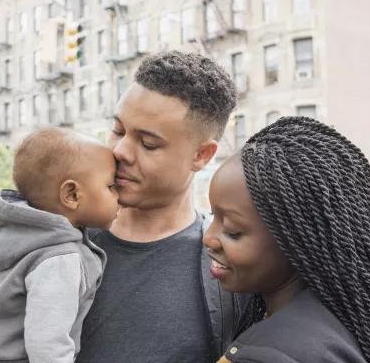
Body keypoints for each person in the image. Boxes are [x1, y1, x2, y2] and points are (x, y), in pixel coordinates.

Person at [204, 117, 370, 363]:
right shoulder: (359, 320)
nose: (208, 237)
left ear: (294, 240)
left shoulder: (265, 355)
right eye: (212, 217)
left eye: (232, 231)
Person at [76, 51, 245, 363]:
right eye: (118, 129)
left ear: (203, 155)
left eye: (148, 143)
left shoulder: (230, 271)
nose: (120, 150)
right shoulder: (60, 236)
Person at [0, 127, 119, 363]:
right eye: (110, 186)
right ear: (71, 195)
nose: (119, 195)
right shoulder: (59, 258)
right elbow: (47, 347)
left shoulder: (25, 234)